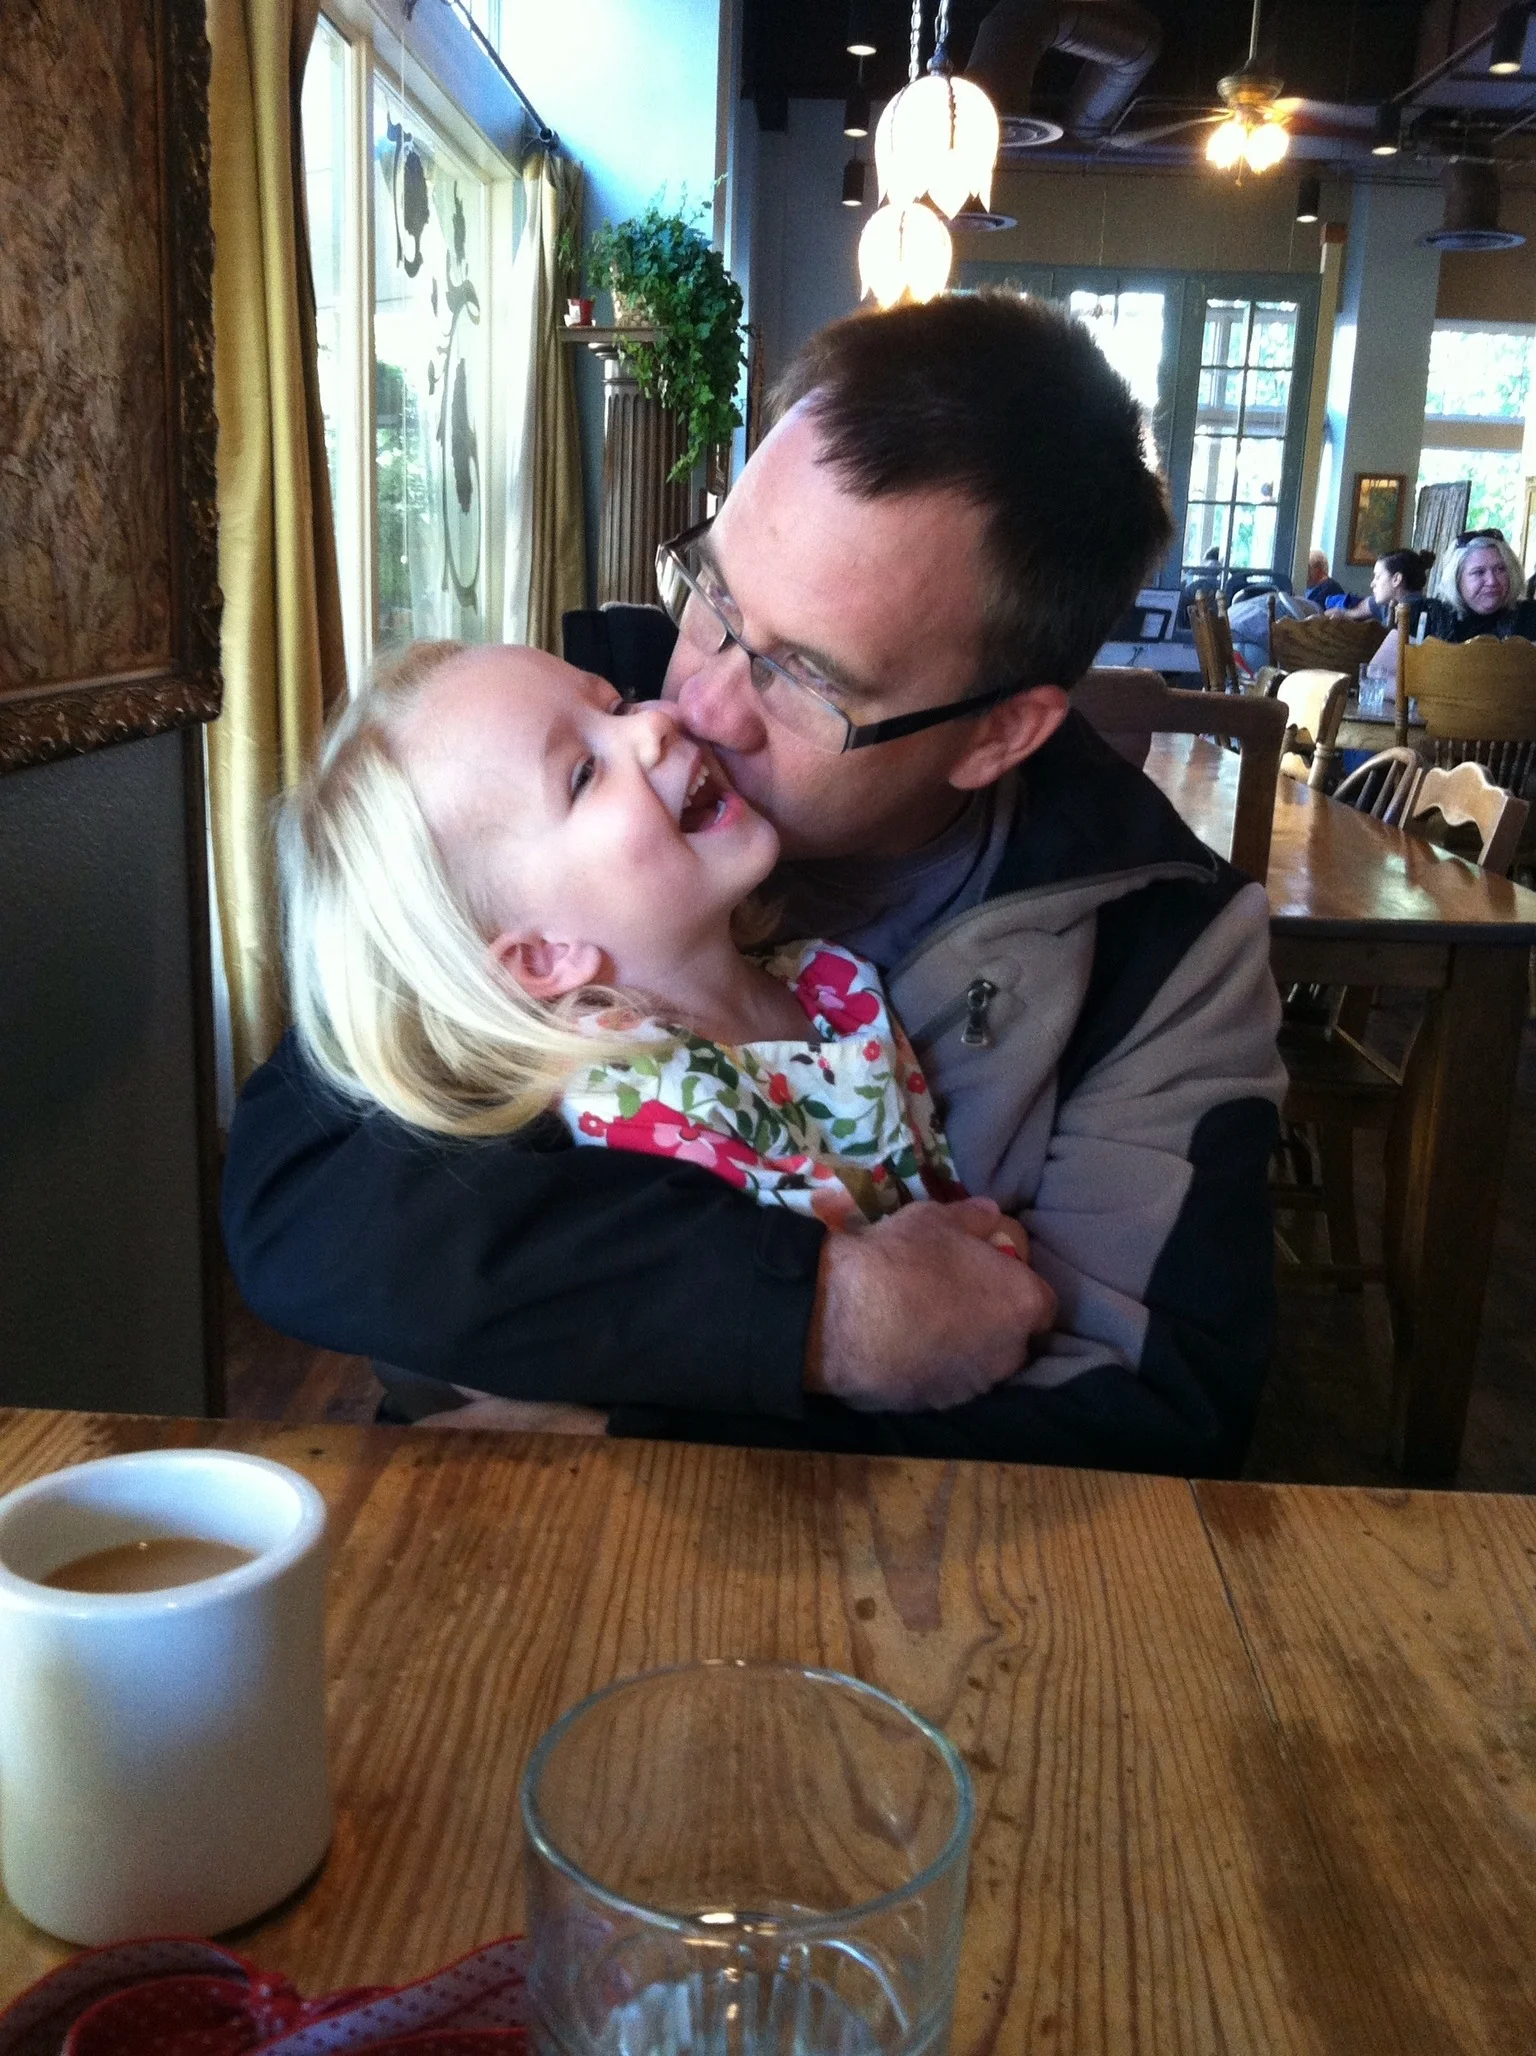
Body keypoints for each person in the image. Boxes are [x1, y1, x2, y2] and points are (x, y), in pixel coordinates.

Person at [224, 291, 1286, 1475]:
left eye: (807, 677)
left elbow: (1151, 1420)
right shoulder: (567, 735)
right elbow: (306, 1199)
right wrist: (820, 1315)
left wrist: (637, 1429)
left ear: (997, 735)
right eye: (715, 595)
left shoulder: (1163, 944)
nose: (695, 705)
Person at [1422, 528, 1536, 643]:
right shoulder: (1430, 617)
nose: (1492, 581)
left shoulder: (1530, 616)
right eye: (1479, 572)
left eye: (1500, 569)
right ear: (1456, 579)